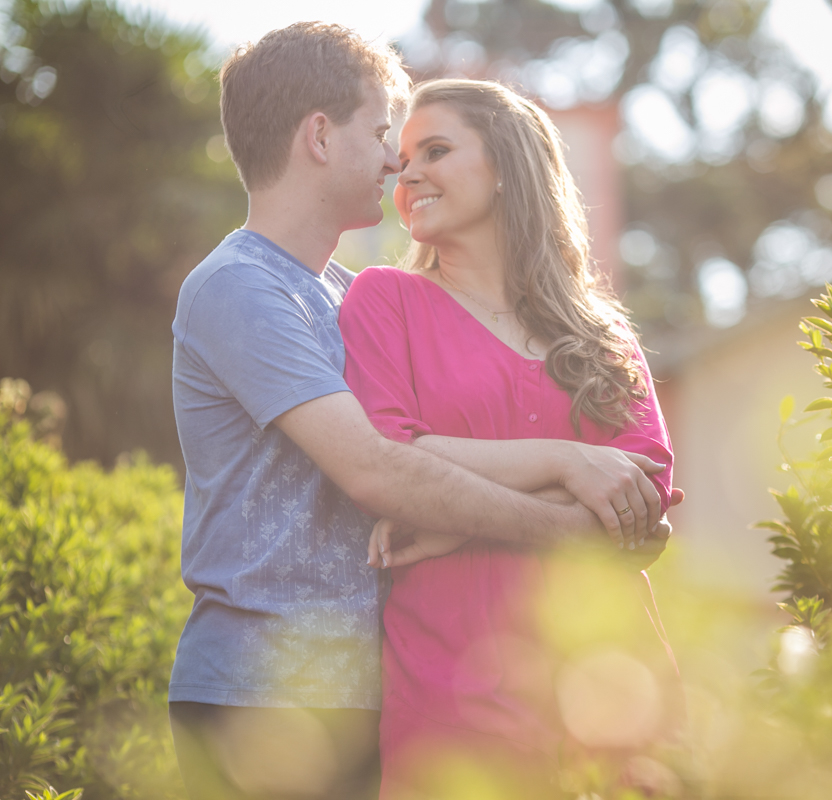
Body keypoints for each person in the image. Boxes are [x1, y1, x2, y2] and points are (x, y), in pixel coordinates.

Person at [168, 25, 668, 800]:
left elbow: (417, 460)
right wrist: (577, 519)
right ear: (320, 137)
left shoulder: (339, 293)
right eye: (381, 133)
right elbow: (376, 465)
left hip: (356, 688)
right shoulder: (240, 287)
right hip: (260, 695)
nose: (396, 159)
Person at [337, 79, 681, 798]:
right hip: (450, 689)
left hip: (614, 687)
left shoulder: (603, 334)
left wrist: (457, 520)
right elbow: (386, 452)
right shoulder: (384, 300)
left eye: (435, 149)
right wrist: (572, 462)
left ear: (503, 166)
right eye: (403, 160)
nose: (409, 173)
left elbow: (645, 504)